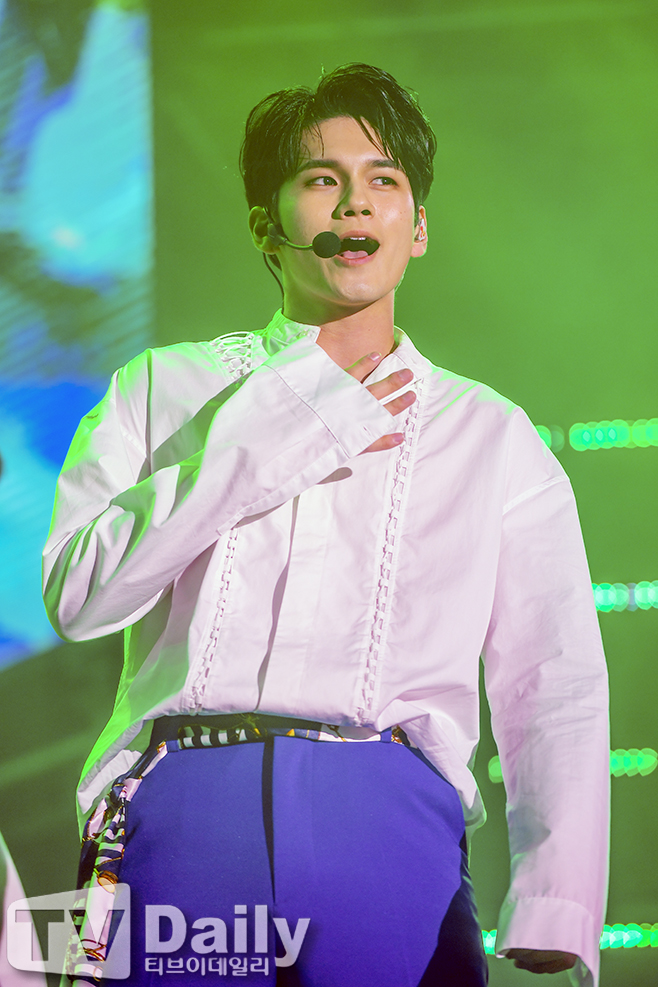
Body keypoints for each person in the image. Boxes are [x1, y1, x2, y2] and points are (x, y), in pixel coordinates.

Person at [43, 64, 609, 987]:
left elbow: (555, 678)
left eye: (384, 179)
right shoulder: (164, 388)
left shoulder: (489, 431)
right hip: (179, 809)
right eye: (320, 179)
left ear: (417, 227)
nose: (355, 202)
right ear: (265, 225)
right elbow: (79, 596)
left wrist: (559, 897)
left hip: (392, 815)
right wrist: (265, 428)